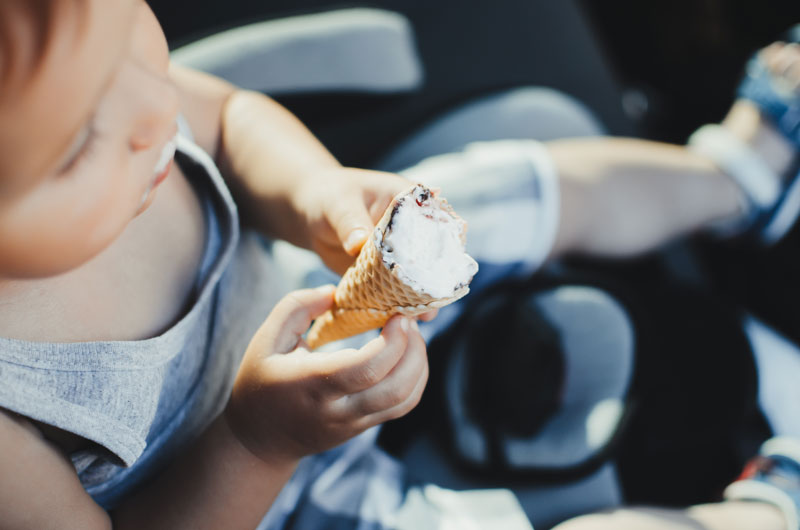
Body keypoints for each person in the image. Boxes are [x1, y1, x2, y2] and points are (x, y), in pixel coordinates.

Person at [0, 0, 796, 528]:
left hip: (306, 273)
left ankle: (734, 179)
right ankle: (764, 507)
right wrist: (257, 443)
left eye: (131, 41)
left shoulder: (120, 95)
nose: (153, 108)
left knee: (485, 191)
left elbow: (231, 118)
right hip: (290, 498)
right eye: (75, 146)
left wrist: (315, 189)